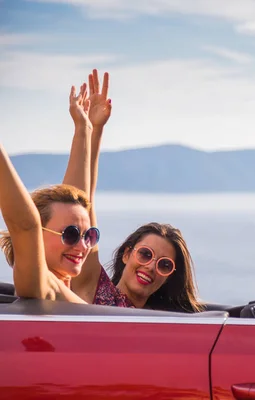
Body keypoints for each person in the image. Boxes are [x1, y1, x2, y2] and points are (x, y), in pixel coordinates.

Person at [64, 69, 203, 312]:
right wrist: (89, 130)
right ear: (127, 254)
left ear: (169, 277)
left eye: (164, 265)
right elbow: (79, 206)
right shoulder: (94, 292)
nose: (150, 267)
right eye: (146, 254)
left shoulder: (167, 322)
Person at [0, 148, 98, 302]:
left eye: (89, 236)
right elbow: (25, 226)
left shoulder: (74, 288)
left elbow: (78, 194)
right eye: (70, 234)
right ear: (37, 236)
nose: (83, 246)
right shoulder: (44, 290)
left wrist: (84, 128)